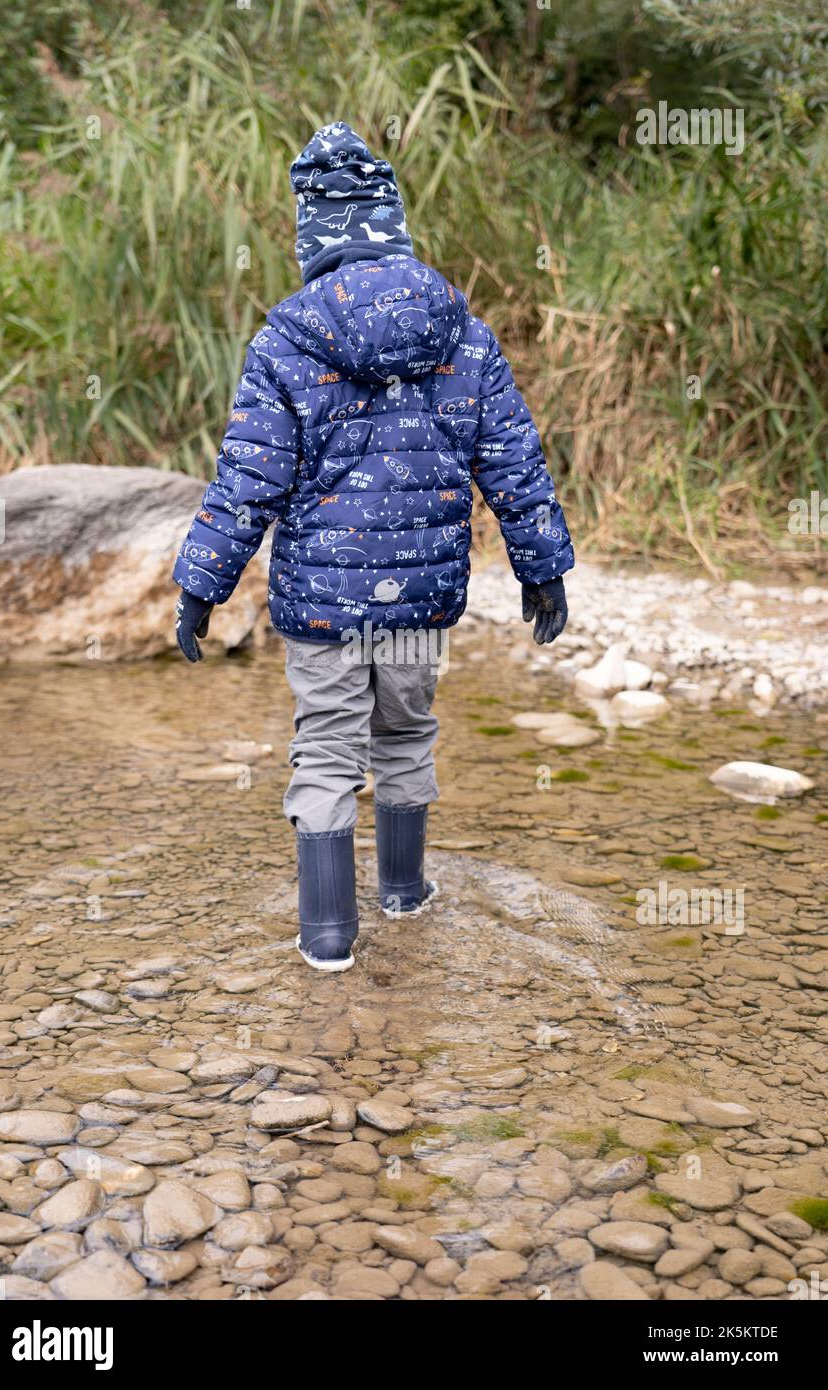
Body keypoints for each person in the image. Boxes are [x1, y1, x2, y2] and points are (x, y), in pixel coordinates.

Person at [173, 122, 573, 972]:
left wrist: (200, 587)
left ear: (310, 235)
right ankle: (404, 895)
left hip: (321, 603)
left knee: (326, 749)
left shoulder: (284, 339)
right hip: (421, 600)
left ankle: (326, 944)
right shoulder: (464, 334)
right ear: (395, 223)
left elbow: (248, 479)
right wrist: (543, 570)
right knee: (405, 734)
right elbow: (513, 462)